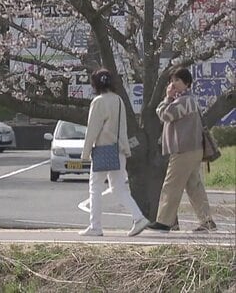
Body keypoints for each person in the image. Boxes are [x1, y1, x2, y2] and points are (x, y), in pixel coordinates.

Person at [80, 68, 150, 237]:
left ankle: (95, 226)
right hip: (118, 149)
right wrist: (126, 148)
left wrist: (86, 152)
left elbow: (93, 129)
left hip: (103, 149)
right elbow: (122, 127)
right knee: (119, 188)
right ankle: (138, 217)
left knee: (95, 187)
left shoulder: (98, 102)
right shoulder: (118, 100)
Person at [147, 67, 216, 232]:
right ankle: (207, 220)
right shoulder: (190, 100)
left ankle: (164, 222)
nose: (173, 84)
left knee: (171, 185)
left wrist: (167, 98)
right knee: (194, 186)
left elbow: (164, 115)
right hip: (194, 148)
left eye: (177, 80)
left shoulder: (183, 101)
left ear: (187, 83)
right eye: (172, 81)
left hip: (183, 150)